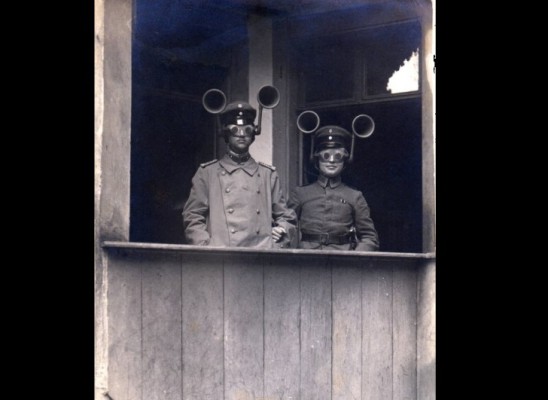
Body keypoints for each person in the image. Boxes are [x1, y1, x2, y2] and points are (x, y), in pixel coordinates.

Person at [183, 100, 297, 248]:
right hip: (222, 256)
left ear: (253, 133)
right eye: (235, 130)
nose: (242, 135)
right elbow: (192, 216)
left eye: (247, 130)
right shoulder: (207, 173)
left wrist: (282, 230)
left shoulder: (267, 174)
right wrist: (206, 246)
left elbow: (286, 216)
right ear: (226, 134)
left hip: (260, 254)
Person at [288, 125, 379, 251]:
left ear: (345, 160)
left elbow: (369, 237)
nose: (331, 161)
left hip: (342, 263)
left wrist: (355, 258)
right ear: (317, 158)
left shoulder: (355, 196)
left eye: (338, 156)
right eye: (326, 156)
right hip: (307, 261)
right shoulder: (301, 193)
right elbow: (285, 225)